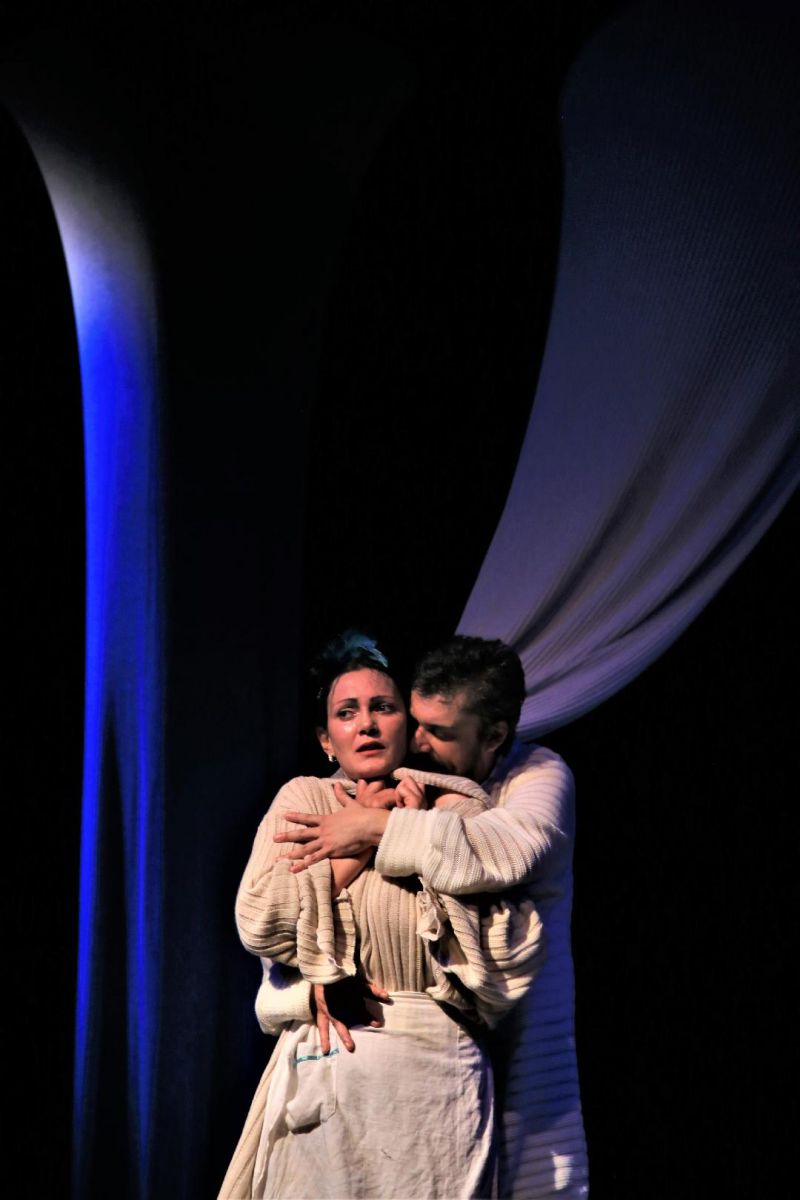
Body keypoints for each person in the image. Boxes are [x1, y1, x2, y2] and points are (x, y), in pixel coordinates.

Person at [219, 632, 545, 1200]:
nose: (366, 724)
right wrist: (357, 845)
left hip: (438, 1082)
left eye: (383, 707)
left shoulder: (457, 807)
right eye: (347, 713)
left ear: (408, 727)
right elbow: (260, 922)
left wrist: (404, 831)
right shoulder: (303, 801)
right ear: (327, 741)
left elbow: (503, 954)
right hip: (331, 1070)